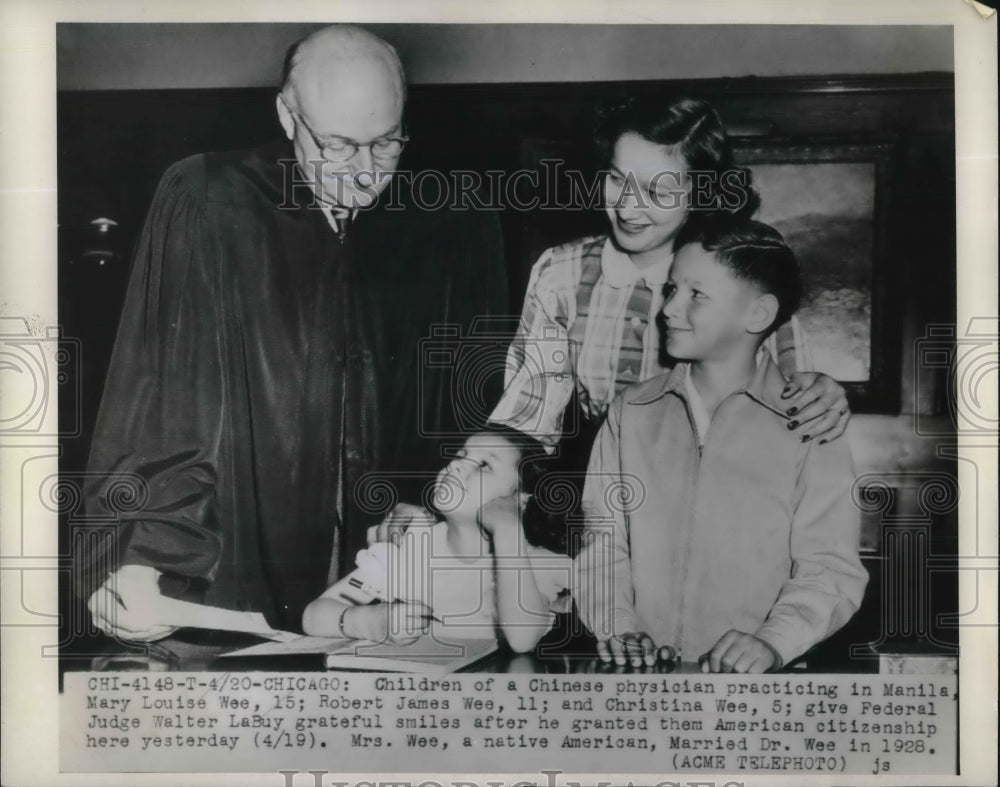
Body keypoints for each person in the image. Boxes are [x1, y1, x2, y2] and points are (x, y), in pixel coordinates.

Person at [78, 25, 506, 646]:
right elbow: (165, 404)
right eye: (337, 145)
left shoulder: (451, 223)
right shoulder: (211, 203)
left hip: (386, 589)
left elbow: (472, 407)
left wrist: (435, 506)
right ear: (287, 115)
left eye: (385, 145)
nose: (363, 175)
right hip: (231, 575)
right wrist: (146, 563)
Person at [370, 95, 851, 544]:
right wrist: (439, 514)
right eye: (618, 179)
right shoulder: (563, 272)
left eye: (658, 190)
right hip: (605, 527)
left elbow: (799, 406)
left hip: (723, 526)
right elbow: (524, 422)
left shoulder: (742, 275)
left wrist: (821, 393)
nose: (628, 205)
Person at [574, 217, 868, 673]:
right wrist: (616, 626)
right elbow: (601, 540)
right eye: (672, 289)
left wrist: (772, 643)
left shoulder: (810, 419)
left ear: (758, 314)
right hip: (639, 680)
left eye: (697, 294)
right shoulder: (630, 413)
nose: (668, 309)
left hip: (762, 691)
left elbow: (830, 565)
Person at [303, 425, 570, 653]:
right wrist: (368, 620)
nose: (455, 464)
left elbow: (522, 640)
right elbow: (313, 615)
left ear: (521, 500)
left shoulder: (533, 563)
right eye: (460, 455)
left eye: (484, 465)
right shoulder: (413, 546)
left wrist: (508, 528)